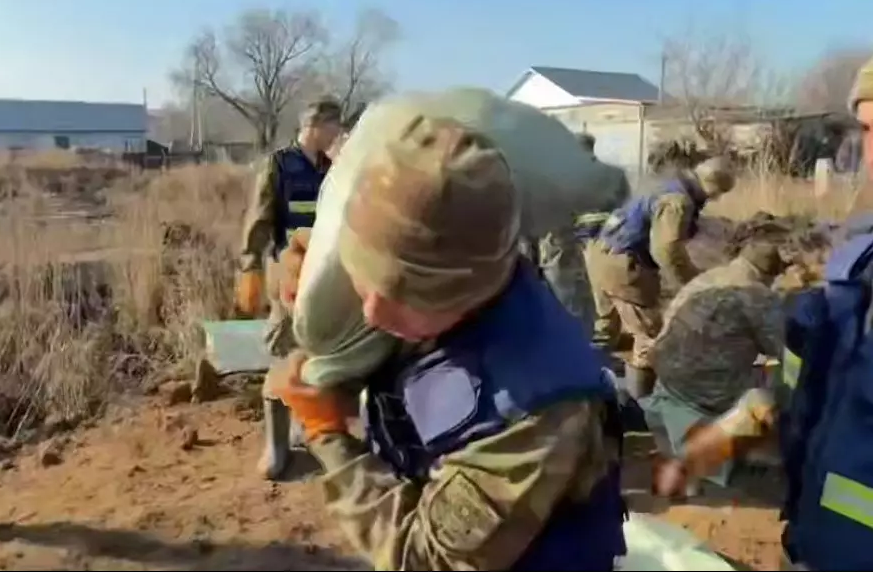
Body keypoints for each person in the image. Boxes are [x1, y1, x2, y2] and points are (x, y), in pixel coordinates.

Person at [266, 112, 628, 570]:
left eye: (403, 297)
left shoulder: (536, 414)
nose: (374, 312)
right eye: (363, 284)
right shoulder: (457, 277)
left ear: (465, 291)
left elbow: (424, 559)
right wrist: (320, 284)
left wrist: (328, 437)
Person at [655, 56, 873, 571]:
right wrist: (723, 439)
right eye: (868, 128)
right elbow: (817, 387)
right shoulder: (855, 261)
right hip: (816, 539)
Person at [235, 99, 343, 480]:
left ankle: (304, 428)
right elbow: (259, 218)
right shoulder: (278, 164)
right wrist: (249, 266)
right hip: (288, 271)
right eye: (333, 127)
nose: (336, 134)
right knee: (284, 351)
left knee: (315, 354)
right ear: (315, 125)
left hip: (325, 272)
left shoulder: (332, 170)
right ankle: (276, 447)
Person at [585, 156, 736, 399]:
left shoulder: (665, 183)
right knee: (650, 337)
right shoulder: (678, 201)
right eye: (717, 193)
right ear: (710, 185)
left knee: (607, 328)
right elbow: (666, 250)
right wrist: (692, 282)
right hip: (623, 266)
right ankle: (639, 405)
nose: (715, 199)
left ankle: (589, 386)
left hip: (599, 255)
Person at [640, 241, 785, 489]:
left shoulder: (707, 279)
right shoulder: (757, 295)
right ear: (771, 273)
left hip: (667, 376)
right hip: (707, 388)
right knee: (781, 383)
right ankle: (757, 453)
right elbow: (786, 348)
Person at [537, 131, 634, 339]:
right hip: (600, 248)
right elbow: (624, 212)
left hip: (564, 251)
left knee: (570, 305)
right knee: (597, 304)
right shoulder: (614, 176)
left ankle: (582, 347)